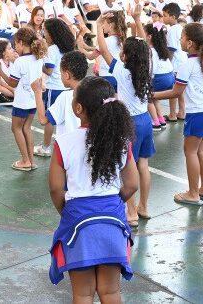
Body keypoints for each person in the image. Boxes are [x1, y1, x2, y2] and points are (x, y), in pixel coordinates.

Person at [47, 76, 139, 301]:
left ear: (78, 108)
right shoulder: (121, 141)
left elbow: (56, 189)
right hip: (112, 219)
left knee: (83, 293)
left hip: (78, 220)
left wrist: (67, 211)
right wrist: (112, 203)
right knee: (111, 291)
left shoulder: (64, 142)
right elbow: (132, 184)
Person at [153, 23, 203, 206]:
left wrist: (151, 95)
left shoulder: (187, 65)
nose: (179, 40)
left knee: (190, 151)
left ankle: (193, 193)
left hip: (199, 112)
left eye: (182, 37)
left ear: (190, 43)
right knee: (201, 150)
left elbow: (176, 92)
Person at [95, 6, 154, 228]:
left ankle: (131, 212)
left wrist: (98, 25)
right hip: (146, 120)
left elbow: (103, 49)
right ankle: (144, 206)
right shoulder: (147, 68)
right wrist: (137, 20)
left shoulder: (122, 71)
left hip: (130, 123)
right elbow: (145, 47)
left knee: (128, 167)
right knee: (143, 165)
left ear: (126, 55)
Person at [0, 28, 47, 171]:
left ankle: (25, 160)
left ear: (21, 43)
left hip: (21, 102)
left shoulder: (20, 61)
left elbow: (12, 83)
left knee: (16, 128)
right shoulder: (38, 57)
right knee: (26, 128)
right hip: (34, 100)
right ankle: (31, 161)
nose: (15, 48)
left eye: (15, 44)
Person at [34, 19, 76, 157]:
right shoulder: (67, 46)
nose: (43, 33)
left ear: (52, 33)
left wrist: (37, 62)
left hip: (54, 89)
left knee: (49, 119)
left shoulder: (52, 49)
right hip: (67, 87)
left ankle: (46, 147)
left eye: (45, 31)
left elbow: (49, 70)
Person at [31, 50, 87, 140]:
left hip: (67, 145)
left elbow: (43, 120)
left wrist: (37, 92)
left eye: (61, 73)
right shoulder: (92, 90)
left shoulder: (65, 96)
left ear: (66, 75)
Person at [161, 3, 186, 121]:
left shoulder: (172, 30)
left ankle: (172, 114)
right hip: (182, 61)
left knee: (173, 90)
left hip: (175, 64)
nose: (163, 18)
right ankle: (182, 112)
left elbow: (171, 49)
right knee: (180, 90)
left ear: (173, 17)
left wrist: (168, 64)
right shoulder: (180, 27)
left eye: (165, 15)